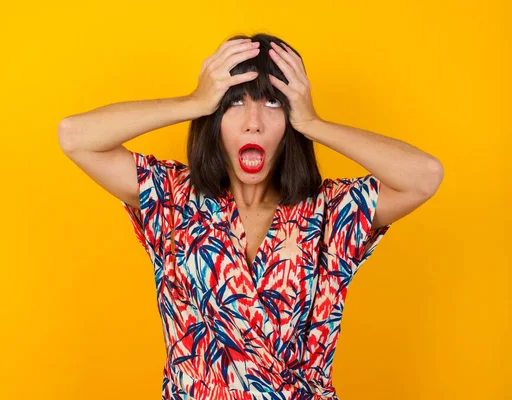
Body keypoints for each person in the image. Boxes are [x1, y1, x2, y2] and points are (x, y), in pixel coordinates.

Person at [59, 32, 442, 400]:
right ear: (215, 118)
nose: (252, 121)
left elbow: (424, 176)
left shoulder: (329, 211)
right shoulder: (173, 198)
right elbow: (75, 136)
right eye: (234, 103)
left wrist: (314, 123)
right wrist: (193, 102)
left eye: (273, 103)